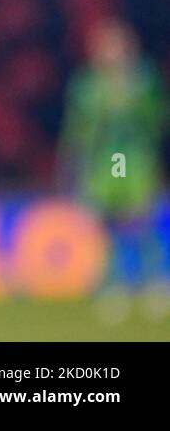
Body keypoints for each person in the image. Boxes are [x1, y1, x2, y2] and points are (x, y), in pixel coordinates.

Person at [60, 18, 168, 320]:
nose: (110, 52)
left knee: (144, 223)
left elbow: (157, 119)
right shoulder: (87, 85)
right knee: (108, 228)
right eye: (104, 47)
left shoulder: (144, 80)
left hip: (136, 162)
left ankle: (157, 283)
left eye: (115, 46)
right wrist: (72, 169)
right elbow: (77, 131)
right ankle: (114, 287)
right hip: (103, 165)